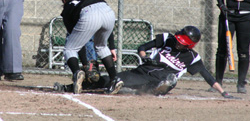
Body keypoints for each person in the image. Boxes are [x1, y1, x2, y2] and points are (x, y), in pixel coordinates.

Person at [55, 26, 236, 99]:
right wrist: (144, 55)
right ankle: (69, 87)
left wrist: (223, 92)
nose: (177, 43)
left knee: (170, 78)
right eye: (178, 40)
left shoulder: (193, 58)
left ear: (190, 45)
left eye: (182, 43)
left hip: (161, 77)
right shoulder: (167, 39)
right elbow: (143, 46)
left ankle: (157, 89)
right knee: (111, 79)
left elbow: (207, 76)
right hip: (142, 71)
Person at [60, 0, 123, 94]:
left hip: (89, 14)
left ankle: (76, 74)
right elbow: (105, 23)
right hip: (108, 12)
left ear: (64, 1)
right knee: (101, 46)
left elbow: (78, 44)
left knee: (70, 48)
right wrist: (112, 46)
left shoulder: (68, 7)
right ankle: (115, 79)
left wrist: (84, 65)